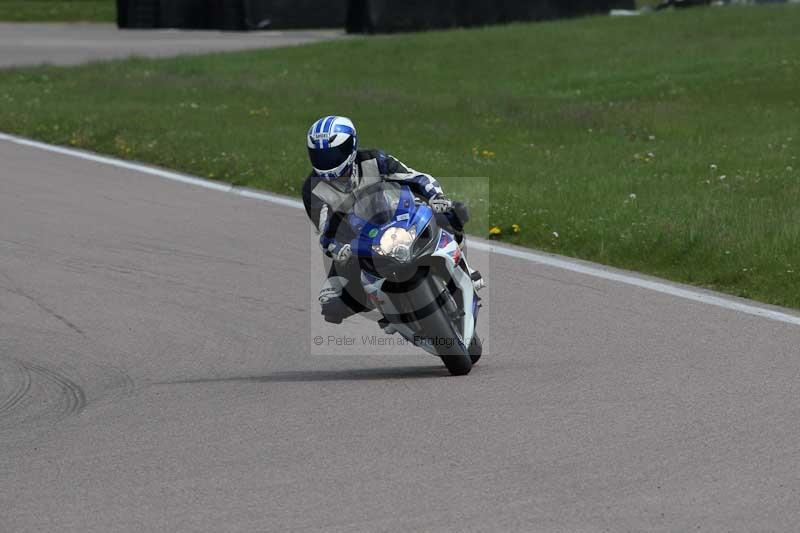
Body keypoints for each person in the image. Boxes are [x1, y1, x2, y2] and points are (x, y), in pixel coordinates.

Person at [301, 115, 483, 324]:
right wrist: (337, 248)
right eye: (320, 156)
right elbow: (325, 230)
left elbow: (416, 178)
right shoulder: (312, 189)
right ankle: (387, 309)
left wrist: (436, 197)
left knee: (452, 214)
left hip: (397, 217)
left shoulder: (373, 159)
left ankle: (466, 271)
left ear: (351, 146)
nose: (328, 162)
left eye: (334, 154)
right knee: (332, 307)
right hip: (355, 244)